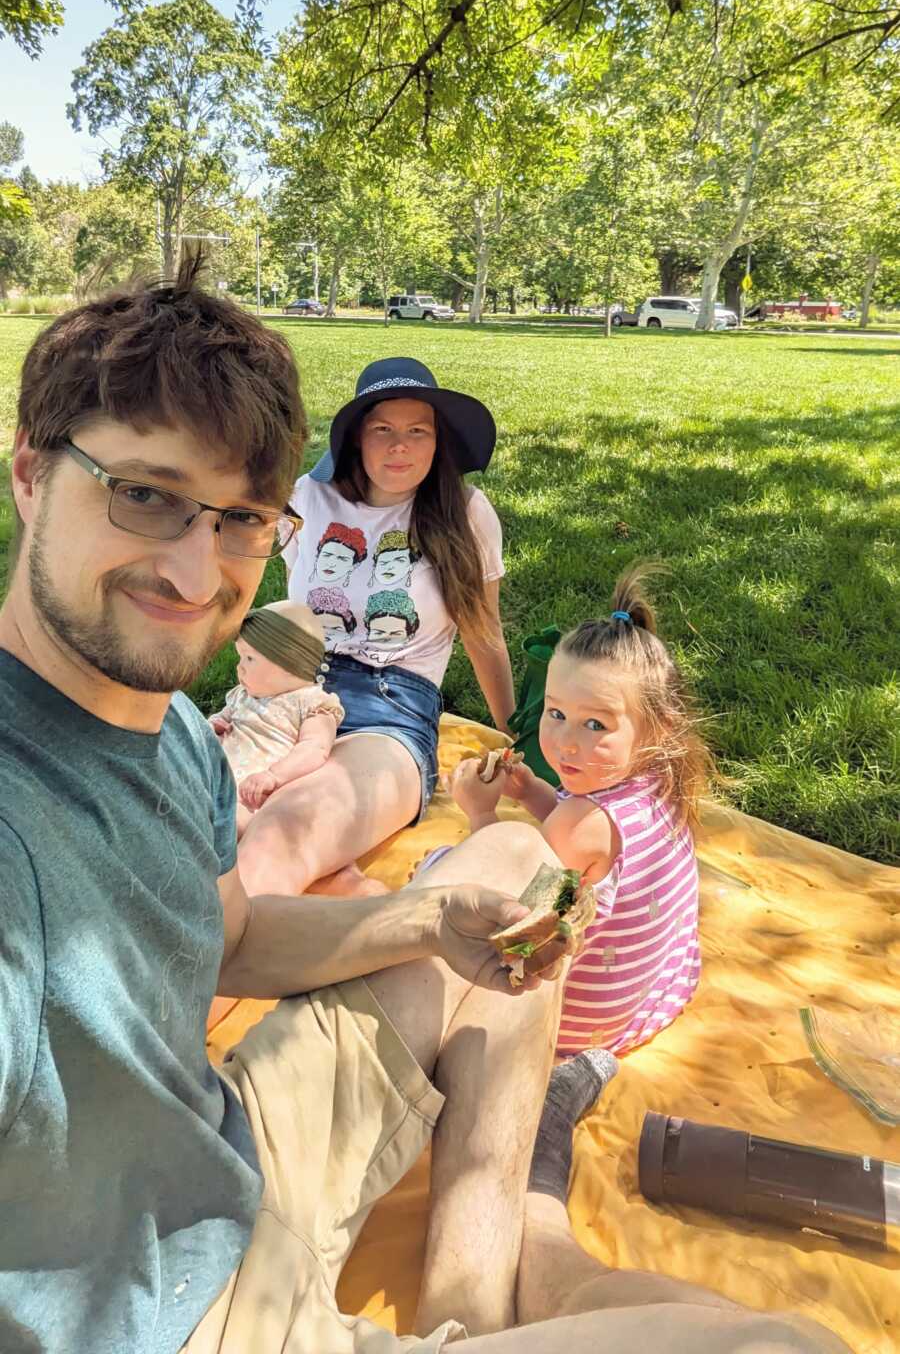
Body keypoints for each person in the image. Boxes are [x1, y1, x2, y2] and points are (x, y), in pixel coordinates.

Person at [0, 267, 849, 1354]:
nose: (193, 566)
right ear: (30, 472)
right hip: (164, 1317)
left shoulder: (162, 731)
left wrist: (425, 923)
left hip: (221, 1153)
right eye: (145, 494)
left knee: (505, 865)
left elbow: (237, 935)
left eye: (239, 520)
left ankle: (478, 1284)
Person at [237, 355, 517, 899]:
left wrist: (519, 733)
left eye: (418, 431)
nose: (399, 446)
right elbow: (261, 589)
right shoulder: (307, 501)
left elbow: (485, 634)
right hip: (286, 692)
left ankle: (208, 969)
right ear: (355, 439)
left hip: (390, 708)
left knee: (285, 833)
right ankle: (339, 883)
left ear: (438, 443)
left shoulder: (465, 512)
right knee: (197, 809)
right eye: (382, 429)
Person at [449, 563, 706, 1057]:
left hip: (574, 1026)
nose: (565, 744)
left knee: (426, 927)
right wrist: (529, 794)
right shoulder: (659, 778)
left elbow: (516, 939)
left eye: (595, 725)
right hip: (657, 992)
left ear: (657, 727)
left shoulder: (579, 825)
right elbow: (584, 852)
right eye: (556, 713)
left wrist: (479, 816)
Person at [209, 599, 344, 835]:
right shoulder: (242, 695)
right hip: (213, 779)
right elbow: (222, 716)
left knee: (228, 824)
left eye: (249, 659)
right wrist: (215, 725)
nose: (239, 668)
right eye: (240, 657)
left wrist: (274, 776)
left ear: (289, 662)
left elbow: (315, 748)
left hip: (251, 797)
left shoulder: (313, 703)